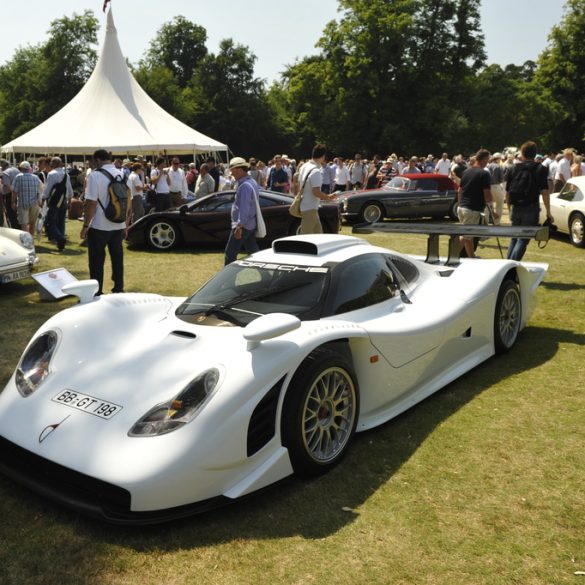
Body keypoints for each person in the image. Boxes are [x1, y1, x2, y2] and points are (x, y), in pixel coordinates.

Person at [81, 149, 127, 295]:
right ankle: (118, 288)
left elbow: (91, 203)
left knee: (96, 262)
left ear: (98, 160)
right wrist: (126, 224)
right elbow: (128, 202)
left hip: (99, 224)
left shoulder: (95, 175)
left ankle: (97, 291)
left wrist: (85, 225)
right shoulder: (122, 174)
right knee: (117, 259)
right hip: (118, 223)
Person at [506, 141, 553, 261]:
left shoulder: (513, 168)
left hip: (516, 206)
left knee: (514, 237)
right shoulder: (541, 169)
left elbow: (508, 191)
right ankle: (511, 267)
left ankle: (507, 265)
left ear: (522, 153)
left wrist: (509, 208)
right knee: (523, 238)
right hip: (531, 207)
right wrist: (548, 211)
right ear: (535, 153)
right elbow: (545, 192)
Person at [457, 148, 493, 259]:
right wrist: (491, 205)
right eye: (487, 160)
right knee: (466, 236)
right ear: (483, 159)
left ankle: (471, 257)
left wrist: (460, 204)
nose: (488, 162)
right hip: (472, 209)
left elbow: (459, 191)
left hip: (462, 208)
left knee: (469, 236)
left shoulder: (466, 171)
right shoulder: (484, 173)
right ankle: (451, 255)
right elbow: (487, 194)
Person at [224, 157, 260, 265]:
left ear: (239, 169)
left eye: (233, 170)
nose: (231, 173)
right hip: (249, 225)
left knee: (230, 254)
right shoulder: (251, 181)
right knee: (254, 253)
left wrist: (239, 226)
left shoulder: (245, 186)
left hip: (243, 226)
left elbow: (244, 208)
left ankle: (227, 281)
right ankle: (268, 277)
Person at [299, 143, 336, 234]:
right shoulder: (316, 171)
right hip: (310, 208)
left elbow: (297, 182)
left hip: (308, 207)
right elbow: (316, 192)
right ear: (323, 156)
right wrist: (328, 197)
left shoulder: (304, 166)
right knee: (305, 238)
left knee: (318, 235)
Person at [43, 157, 73, 251]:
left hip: (53, 201)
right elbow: (69, 189)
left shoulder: (51, 174)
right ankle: (61, 244)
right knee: (61, 222)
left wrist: (43, 198)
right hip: (63, 200)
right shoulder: (66, 174)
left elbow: (48, 189)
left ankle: (60, 238)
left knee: (50, 222)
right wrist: (70, 201)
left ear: (54, 164)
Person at [11, 161, 42, 236]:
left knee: (24, 223)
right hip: (34, 203)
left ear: (21, 168)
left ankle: (27, 241)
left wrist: (13, 202)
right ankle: (31, 240)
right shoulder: (35, 177)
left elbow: (14, 191)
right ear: (29, 168)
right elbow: (40, 189)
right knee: (32, 223)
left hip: (22, 202)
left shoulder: (18, 177)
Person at [0, 159, 20, 228]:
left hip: (9, 195)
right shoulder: (16, 170)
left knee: (11, 213)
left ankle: (15, 227)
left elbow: (8, 186)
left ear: (3, 166)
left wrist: (13, 194)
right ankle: (19, 226)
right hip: (18, 193)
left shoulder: (5, 173)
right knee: (17, 213)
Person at [487, 152, 505, 224]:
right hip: (495, 186)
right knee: (500, 203)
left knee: (488, 204)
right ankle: (496, 222)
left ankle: (486, 221)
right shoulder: (498, 166)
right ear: (498, 159)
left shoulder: (487, 165)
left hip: (487, 187)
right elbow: (501, 180)